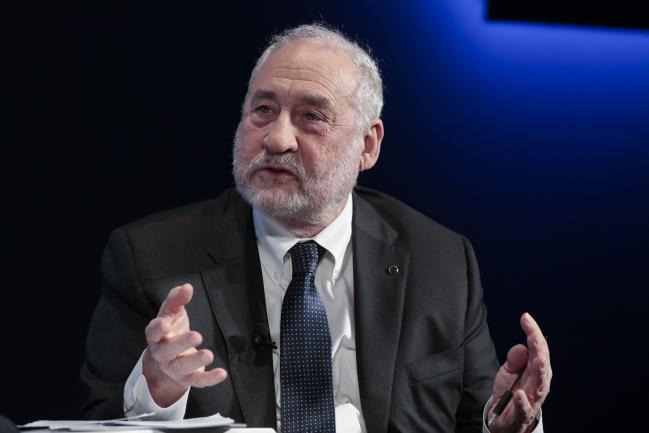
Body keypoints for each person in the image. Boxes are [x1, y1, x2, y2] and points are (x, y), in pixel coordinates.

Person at [81, 23, 552, 433]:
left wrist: (507, 426)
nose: (277, 138)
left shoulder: (441, 261)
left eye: (311, 117)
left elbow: (479, 420)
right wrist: (159, 388)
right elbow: (100, 421)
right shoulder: (151, 258)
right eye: (262, 110)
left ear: (368, 145)